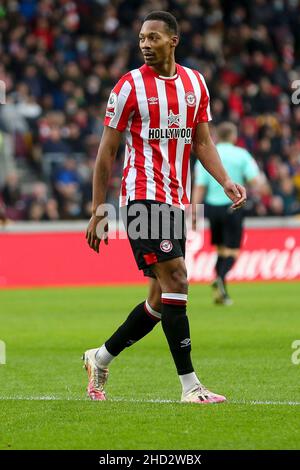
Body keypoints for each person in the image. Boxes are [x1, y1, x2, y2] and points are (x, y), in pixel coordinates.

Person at [84, 11, 246, 404]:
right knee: (178, 280)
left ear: (173, 40)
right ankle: (191, 386)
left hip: (175, 200)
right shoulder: (127, 87)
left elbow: (203, 142)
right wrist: (98, 210)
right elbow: (107, 151)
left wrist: (224, 180)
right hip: (141, 196)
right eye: (141, 38)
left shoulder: (195, 83)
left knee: (160, 299)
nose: (145, 44)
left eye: (153, 37)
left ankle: (100, 357)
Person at [193, 122, 259, 305]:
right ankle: (220, 278)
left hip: (212, 209)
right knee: (233, 251)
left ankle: (221, 293)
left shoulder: (205, 156)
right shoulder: (241, 154)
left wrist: (193, 212)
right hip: (233, 206)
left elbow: (199, 186)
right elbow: (255, 180)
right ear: (233, 136)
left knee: (221, 250)